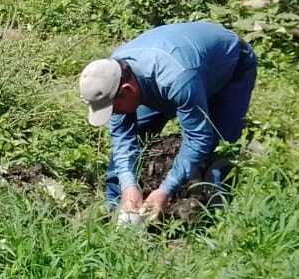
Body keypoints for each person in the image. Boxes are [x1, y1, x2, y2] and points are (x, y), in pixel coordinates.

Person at [77, 21, 257, 218]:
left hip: (229, 65)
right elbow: (122, 140)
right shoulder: (113, 75)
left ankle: (210, 207)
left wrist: (166, 189)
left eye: (113, 108)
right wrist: (128, 185)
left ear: (128, 91)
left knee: (218, 136)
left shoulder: (176, 78)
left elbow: (198, 138)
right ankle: (115, 206)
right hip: (175, 72)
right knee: (137, 136)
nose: (112, 114)